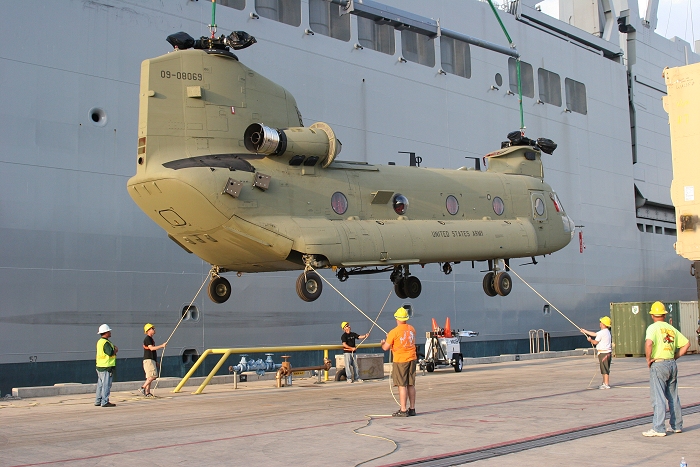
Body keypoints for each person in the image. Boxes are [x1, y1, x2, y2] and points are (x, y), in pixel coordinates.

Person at [642, 301, 690, 437]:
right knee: (673, 396)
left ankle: (658, 428)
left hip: (659, 364)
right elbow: (687, 344)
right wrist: (675, 356)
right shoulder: (671, 328)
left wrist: (648, 359)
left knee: (658, 397)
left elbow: (649, 343)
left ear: (652, 315)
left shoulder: (652, 328)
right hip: (671, 363)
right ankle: (677, 425)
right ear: (664, 314)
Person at [381, 307, 417, 417]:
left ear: (397, 318)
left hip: (400, 361)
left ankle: (403, 410)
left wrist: (383, 342)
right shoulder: (412, 329)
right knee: (411, 384)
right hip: (412, 358)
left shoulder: (393, 332)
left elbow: (385, 348)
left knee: (402, 385)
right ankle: (412, 408)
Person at [580, 316, 613, 389]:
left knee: (605, 369)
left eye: (601, 322)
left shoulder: (602, 333)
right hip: (607, 353)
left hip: (603, 353)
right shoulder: (606, 332)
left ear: (604, 324)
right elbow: (595, 334)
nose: (600, 323)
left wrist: (590, 340)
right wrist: (585, 331)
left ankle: (606, 384)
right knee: (604, 368)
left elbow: (595, 342)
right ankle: (604, 383)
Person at [140, 323, 166, 397]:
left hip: (151, 360)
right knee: (153, 376)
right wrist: (162, 346)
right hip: (148, 360)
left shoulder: (150, 339)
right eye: (152, 328)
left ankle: (147, 392)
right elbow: (151, 348)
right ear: (148, 330)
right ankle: (143, 387)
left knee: (149, 377)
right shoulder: (147, 339)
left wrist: (156, 361)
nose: (154, 330)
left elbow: (152, 351)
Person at [95, 324, 118, 407]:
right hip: (106, 366)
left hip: (100, 366)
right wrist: (115, 350)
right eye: (109, 331)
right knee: (106, 385)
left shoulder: (100, 342)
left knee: (100, 385)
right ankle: (104, 401)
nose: (110, 332)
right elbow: (110, 353)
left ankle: (98, 400)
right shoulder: (106, 343)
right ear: (106, 332)